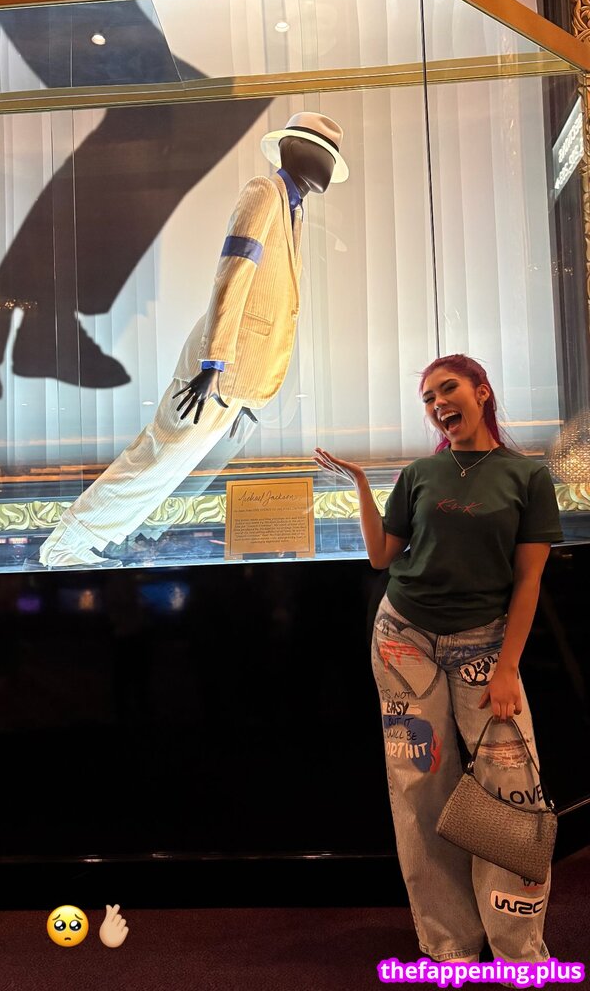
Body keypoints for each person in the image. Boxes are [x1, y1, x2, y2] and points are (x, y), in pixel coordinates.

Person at [314, 354, 563, 965]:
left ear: (482, 392)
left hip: (486, 645)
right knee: (421, 787)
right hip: (404, 639)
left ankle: (518, 950)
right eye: (428, 398)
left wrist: (508, 668)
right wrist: (362, 486)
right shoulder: (420, 472)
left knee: (510, 787)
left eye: (448, 389)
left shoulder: (527, 476)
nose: (437, 403)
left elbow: (528, 581)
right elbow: (381, 557)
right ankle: (450, 945)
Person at [37, 112, 348, 568]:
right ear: (297, 150)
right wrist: (213, 362)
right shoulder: (265, 193)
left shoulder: (293, 211)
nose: (330, 169)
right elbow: (233, 273)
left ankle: (103, 543)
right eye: (326, 156)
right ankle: (65, 546)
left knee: (175, 469)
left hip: (242, 379)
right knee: (156, 458)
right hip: (220, 370)